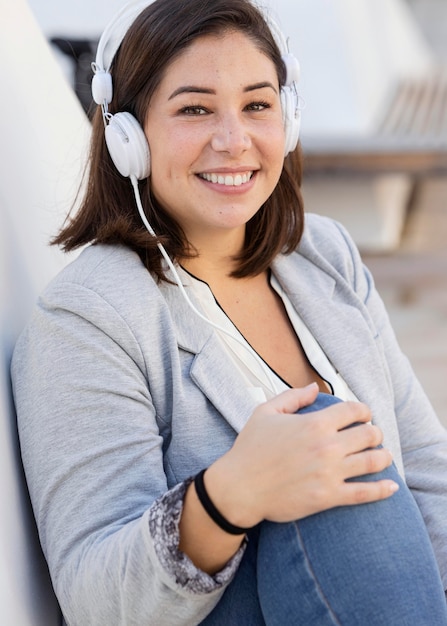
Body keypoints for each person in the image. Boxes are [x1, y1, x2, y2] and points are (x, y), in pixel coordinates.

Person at [11, 0, 447, 624]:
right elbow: (95, 601)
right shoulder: (88, 319)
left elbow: (428, 473)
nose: (233, 140)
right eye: (194, 109)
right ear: (128, 137)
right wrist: (228, 496)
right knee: (324, 446)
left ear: (287, 120)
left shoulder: (322, 255)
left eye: (257, 105)